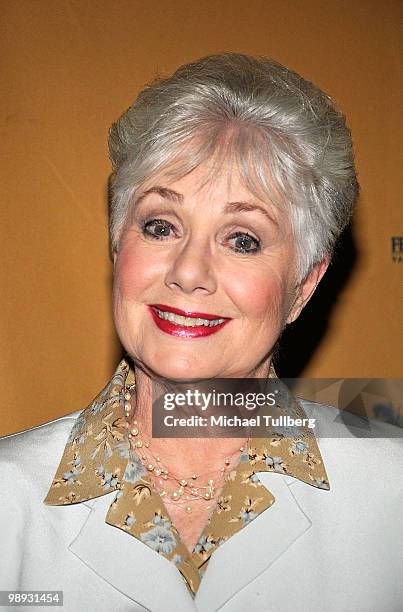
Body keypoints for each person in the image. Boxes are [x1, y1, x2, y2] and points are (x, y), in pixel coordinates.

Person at [1, 53, 402, 612]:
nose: (188, 272)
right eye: (160, 226)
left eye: (243, 239)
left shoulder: (393, 495)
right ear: (119, 247)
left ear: (305, 284)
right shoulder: (7, 498)